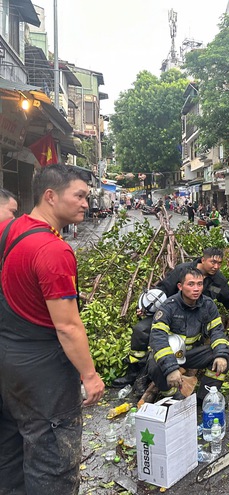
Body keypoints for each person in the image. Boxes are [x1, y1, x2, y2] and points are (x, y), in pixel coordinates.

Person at [0, 164, 105, 494]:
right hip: (43, 374)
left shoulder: (8, 230)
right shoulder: (53, 250)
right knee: (52, 462)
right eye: (79, 196)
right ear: (50, 196)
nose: (86, 204)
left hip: (7, 362)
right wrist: (90, 375)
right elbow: (68, 326)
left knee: (10, 451)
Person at [112, 247, 229, 388]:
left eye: (219, 263)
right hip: (172, 315)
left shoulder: (218, 281)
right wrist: (146, 307)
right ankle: (135, 373)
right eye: (213, 262)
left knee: (223, 349)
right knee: (142, 330)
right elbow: (162, 290)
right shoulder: (182, 271)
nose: (216, 266)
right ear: (203, 260)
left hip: (196, 321)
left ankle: (205, 393)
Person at [147, 267, 229, 399]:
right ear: (180, 286)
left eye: (199, 284)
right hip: (171, 354)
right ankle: (174, 396)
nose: (196, 289)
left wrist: (221, 354)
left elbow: (217, 331)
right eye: (191, 284)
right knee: (154, 364)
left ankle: (206, 396)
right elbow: (158, 338)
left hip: (191, 354)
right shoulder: (168, 307)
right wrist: (170, 368)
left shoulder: (208, 305)